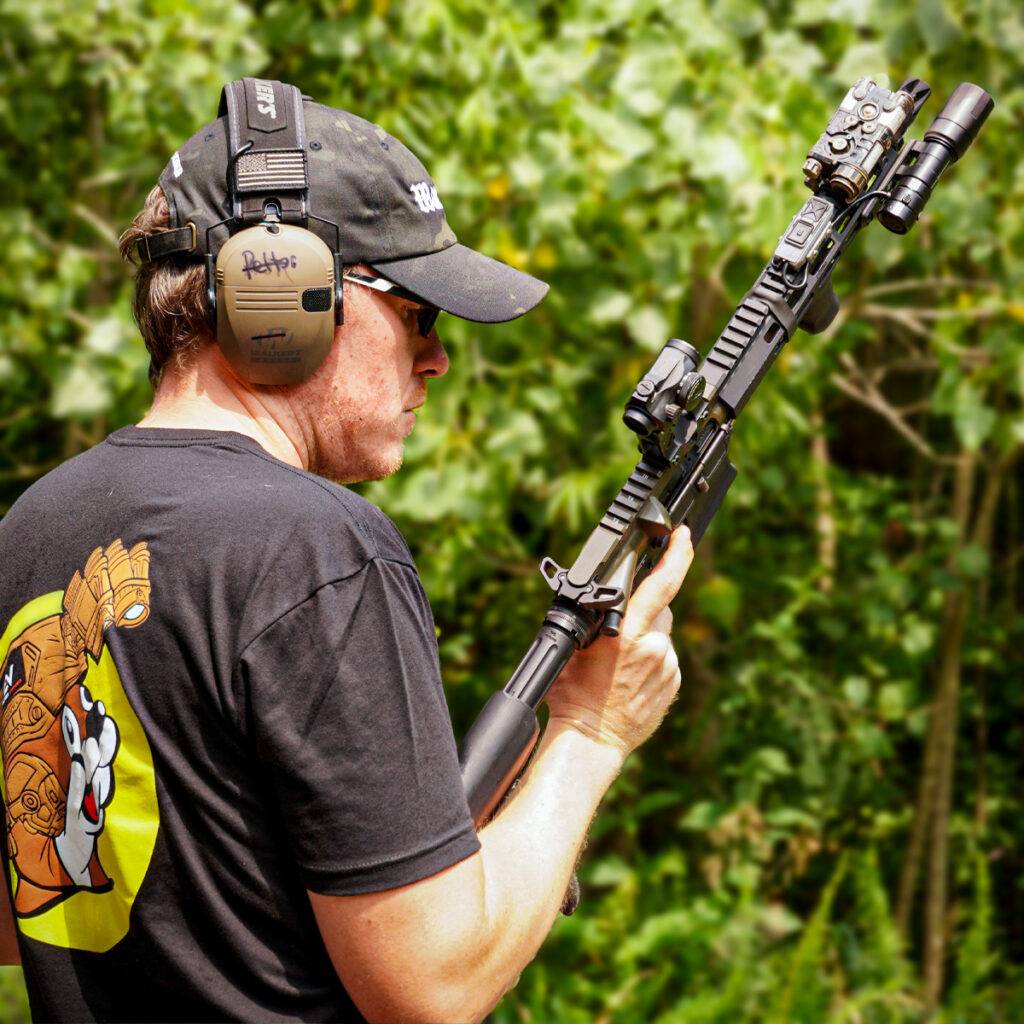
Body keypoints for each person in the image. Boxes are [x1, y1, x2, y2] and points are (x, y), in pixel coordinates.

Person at [0, 78, 692, 1023]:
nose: (436, 358)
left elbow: (26, 911)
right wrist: (591, 730)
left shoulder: (35, 528)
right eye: (418, 313)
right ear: (279, 294)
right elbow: (433, 992)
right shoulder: (319, 551)